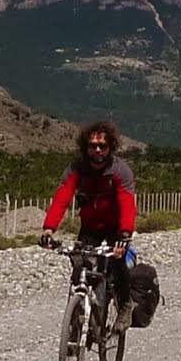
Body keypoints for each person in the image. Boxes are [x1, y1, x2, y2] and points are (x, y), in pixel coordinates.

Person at [41, 120, 138, 333]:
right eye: (93, 145)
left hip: (115, 227)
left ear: (110, 147)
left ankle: (125, 305)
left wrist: (125, 234)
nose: (97, 150)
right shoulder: (77, 169)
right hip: (90, 226)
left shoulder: (120, 171)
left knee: (117, 262)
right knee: (80, 269)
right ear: (85, 147)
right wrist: (49, 229)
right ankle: (77, 321)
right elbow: (62, 199)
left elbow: (127, 204)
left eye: (102, 146)